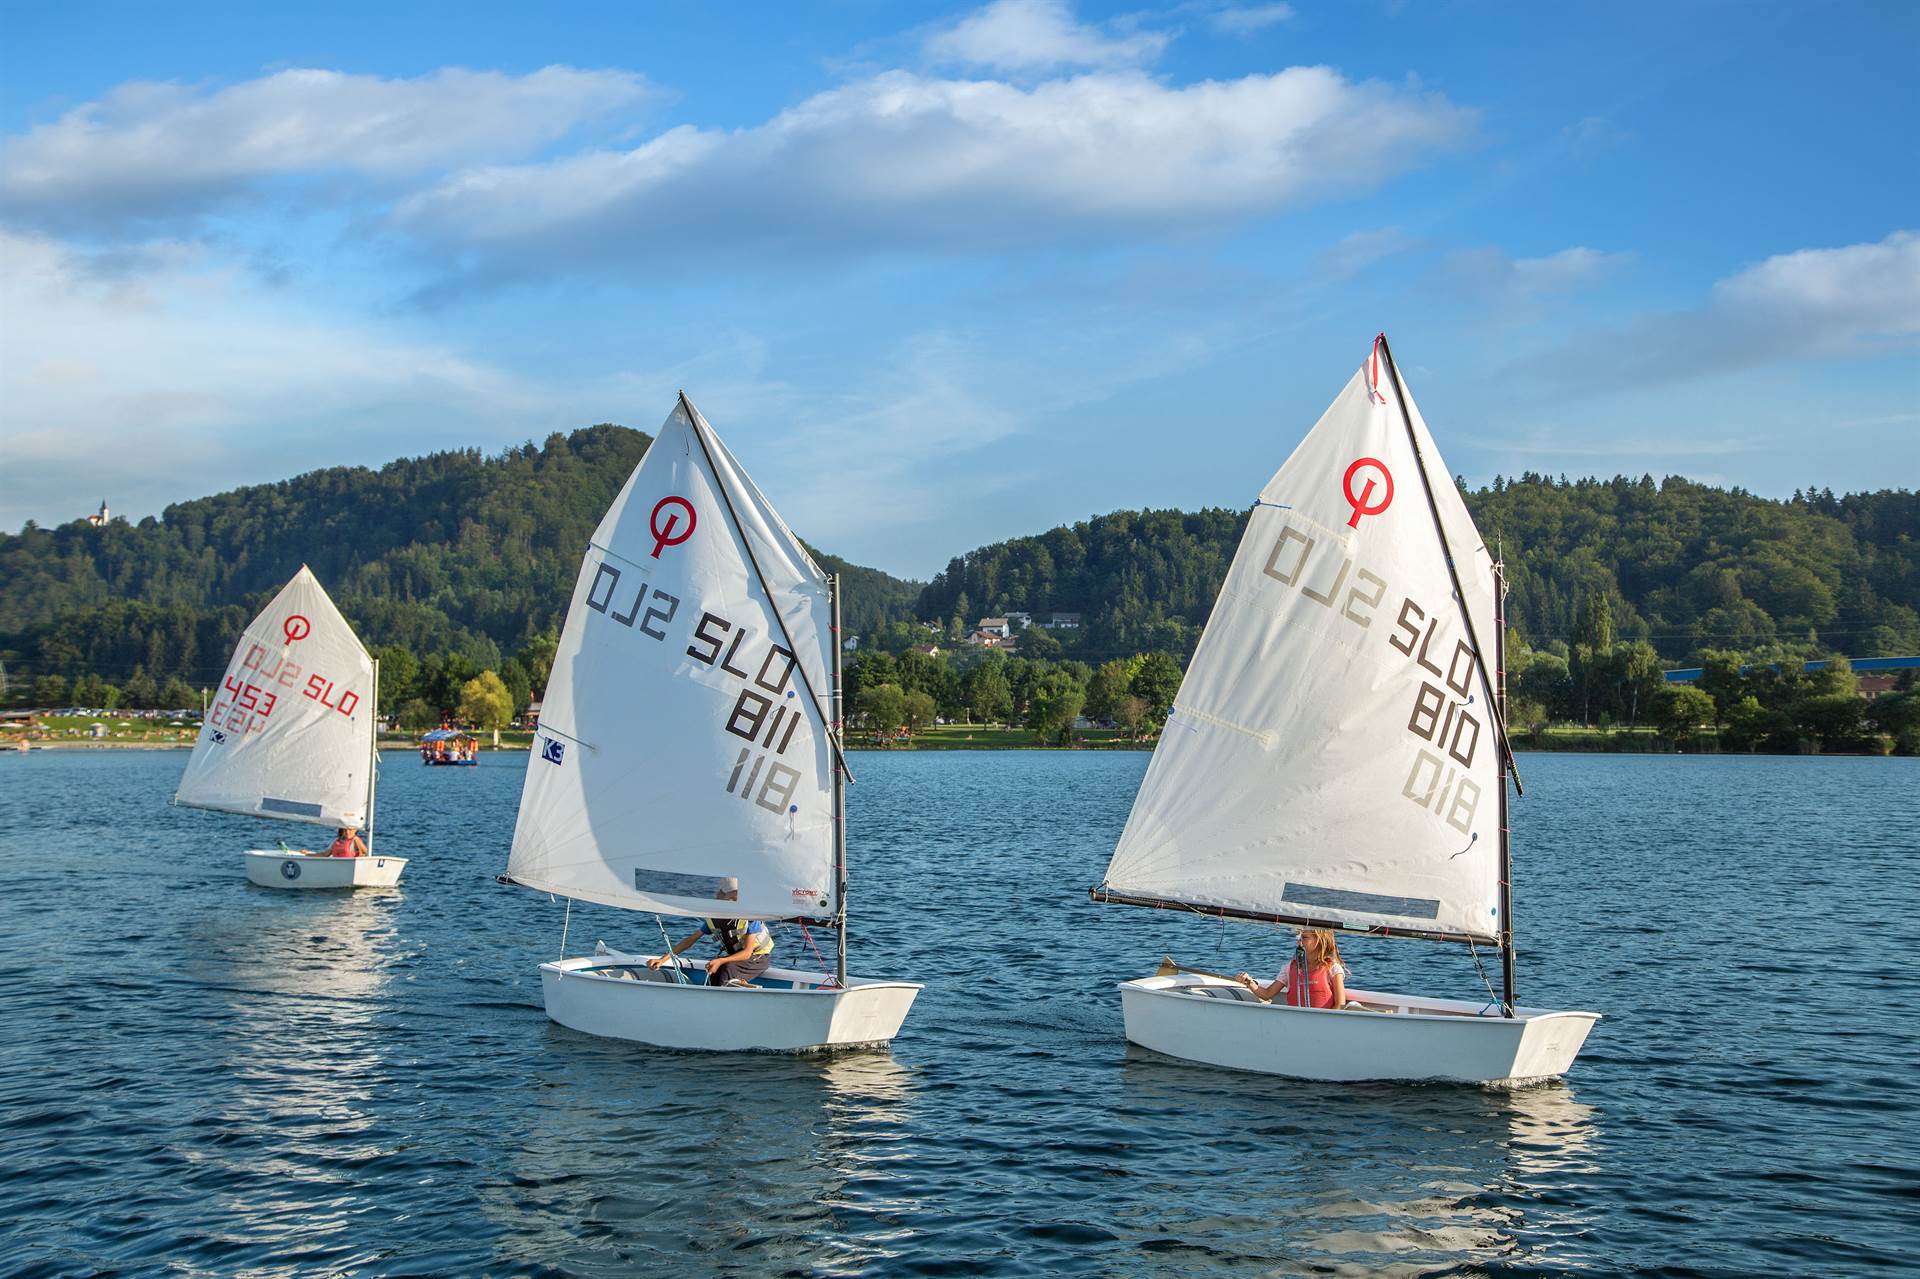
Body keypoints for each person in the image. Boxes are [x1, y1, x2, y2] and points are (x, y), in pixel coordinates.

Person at [647, 877, 776, 986]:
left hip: (758, 959)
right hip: (737, 959)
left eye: (734, 896)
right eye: (725, 894)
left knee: (727, 968)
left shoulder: (750, 918)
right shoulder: (716, 918)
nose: (720, 896)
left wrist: (720, 961)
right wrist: (663, 959)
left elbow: (747, 953)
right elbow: (690, 941)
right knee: (716, 970)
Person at [1236, 928, 1347, 1008]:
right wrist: (1249, 982)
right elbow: (1267, 994)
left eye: (1304, 937)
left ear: (1319, 940)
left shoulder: (1333, 969)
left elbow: (1340, 1004)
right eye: (1298, 937)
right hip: (1296, 1022)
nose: (1299, 941)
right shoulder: (1289, 968)